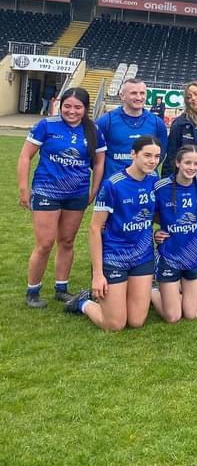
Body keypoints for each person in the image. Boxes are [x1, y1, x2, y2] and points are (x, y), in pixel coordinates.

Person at [18, 87, 106, 309]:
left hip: (76, 195)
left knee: (67, 241)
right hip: (47, 192)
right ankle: (33, 290)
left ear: (85, 109)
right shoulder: (47, 125)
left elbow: (99, 163)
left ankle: (61, 289)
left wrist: (93, 191)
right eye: (67, 106)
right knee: (45, 243)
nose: (72, 111)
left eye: (78, 107)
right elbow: (25, 156)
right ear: (60, 104)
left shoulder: (93, 130)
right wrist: (23, 188)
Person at [64, 135, 161, 330]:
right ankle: (82, 302)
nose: (152, 161)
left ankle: (126, 295)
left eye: (157, 156)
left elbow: (154, 214)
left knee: (136, 321)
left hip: (142, 256)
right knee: (114, 324)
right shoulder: (113, 185)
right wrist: (98, 274)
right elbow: (94, 228)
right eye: (147, 155)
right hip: (114, 257)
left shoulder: (153, 179)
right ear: (133, 154)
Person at [151, 145, 197, 323]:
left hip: (194, 255)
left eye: (196, 163)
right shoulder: (161, 186)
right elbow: (148, 214)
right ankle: (151, 289)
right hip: (170, 254)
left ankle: (174, 295)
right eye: (187, 162)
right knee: (173, 317)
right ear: (177, 163)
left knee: (191, 315)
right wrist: (157, 231)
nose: (192, 167)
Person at [97, 78, 168, 179]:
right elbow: (94, 156)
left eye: (142, 93)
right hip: (115, 186)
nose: (139, 97)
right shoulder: (106, 121)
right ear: (122, 96)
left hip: (146, 185)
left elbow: (162, 152)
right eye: (134, 93)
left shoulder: (157, 123)